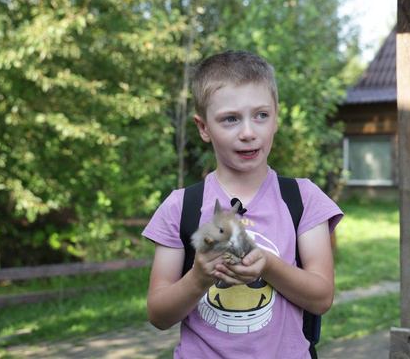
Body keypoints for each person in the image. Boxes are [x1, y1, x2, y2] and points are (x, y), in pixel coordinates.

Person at [143, 50, 343, 358]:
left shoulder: (304, 199)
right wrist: (198, 278)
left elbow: (321, 298)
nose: (248, 133)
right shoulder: (180, 207)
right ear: (203, 127)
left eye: (261, 115)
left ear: (276, 117)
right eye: (230, 119)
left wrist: (268, 265)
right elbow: (159, 315)